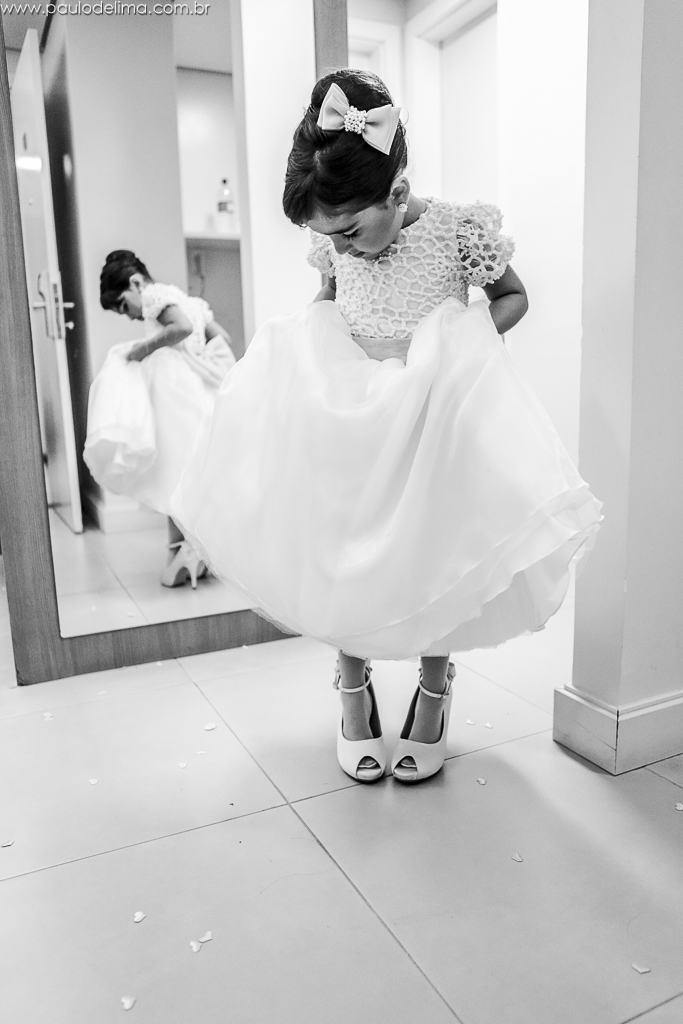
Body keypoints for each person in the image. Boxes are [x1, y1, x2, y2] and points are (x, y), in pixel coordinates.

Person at [173, 70, 602, 782]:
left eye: (349, 230)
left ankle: (433, 689)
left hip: (431, 417)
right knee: (344, 548)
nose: (341, 248)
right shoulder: (336, 248)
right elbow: (329, 297)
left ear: (397, 194)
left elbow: (513, 297)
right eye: (327, 237)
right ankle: (352, 685)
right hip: (352, 416)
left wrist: (455, 349)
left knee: (431, 550)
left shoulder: (456, 229)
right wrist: (314, 349)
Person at [84, 250, 236, 588]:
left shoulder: (155, 296)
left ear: (136, 283)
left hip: (174, 391)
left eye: (124, 305)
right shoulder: (189, 301)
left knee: (172, 470)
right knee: (186, 470)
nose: (128, 315)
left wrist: (141, 351)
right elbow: (222, 338)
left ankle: (185, 551)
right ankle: (194, 551)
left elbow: (180, 328)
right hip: (197, 388)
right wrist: (198, 357)